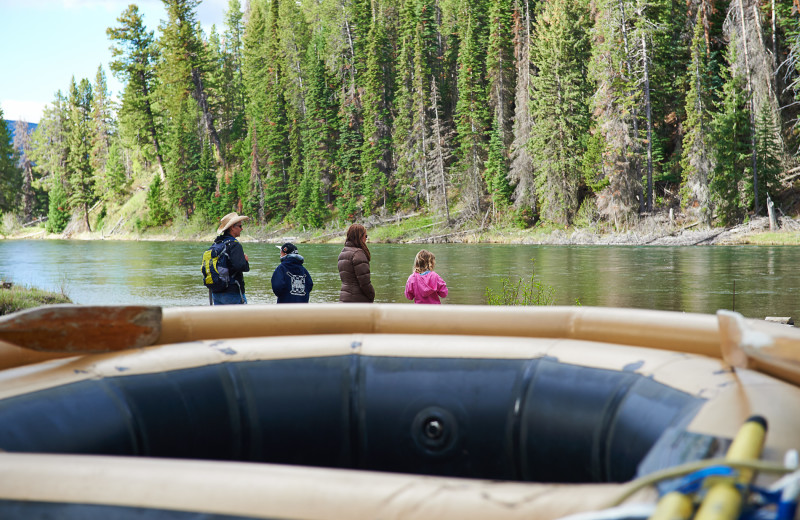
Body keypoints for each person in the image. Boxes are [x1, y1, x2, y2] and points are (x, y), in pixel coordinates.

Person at [211, 212, 250, 305]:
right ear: (232, 227)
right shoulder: (234, 245)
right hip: (232, 292)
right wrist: (245, 262)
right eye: (240, 226)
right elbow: (240, 266)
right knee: (241, 319)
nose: (242, 229)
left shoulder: (217, 243)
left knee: (220, 319)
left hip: (216, 292)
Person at [337, 224, 375, 303]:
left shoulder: (343, 253)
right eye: (366, 236)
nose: (366, 239)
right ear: (360, 236)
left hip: (344, 298)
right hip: (358, 300)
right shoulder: (358, 254)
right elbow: (364, 282)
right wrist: (371, 295)